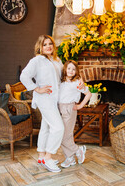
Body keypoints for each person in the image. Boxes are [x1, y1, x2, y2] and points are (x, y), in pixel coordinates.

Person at [20, 34, 64, 173]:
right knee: (58, 127)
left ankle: (40, 155)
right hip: (44, 99)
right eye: (44, 44)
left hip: (55, 98)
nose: (48, 46)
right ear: (40, 47)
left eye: (50, 43)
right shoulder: (37, 60)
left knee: (46, 127)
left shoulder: (57, 60)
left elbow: (62, 77)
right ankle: (48, 157)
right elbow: (24, 76)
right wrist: (36, 88)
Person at [58, 60, 92, 168]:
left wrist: (80, 105)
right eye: (69, 68)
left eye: (73, 69)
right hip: (60, 108)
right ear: (65, 69)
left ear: (76, 71)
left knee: (63, 136)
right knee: (67, 136)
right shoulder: (61, 81)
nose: (71, 71)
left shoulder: (77, 82)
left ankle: (78, 150)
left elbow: (88, 94)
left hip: (69, 108)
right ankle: (70, 158)